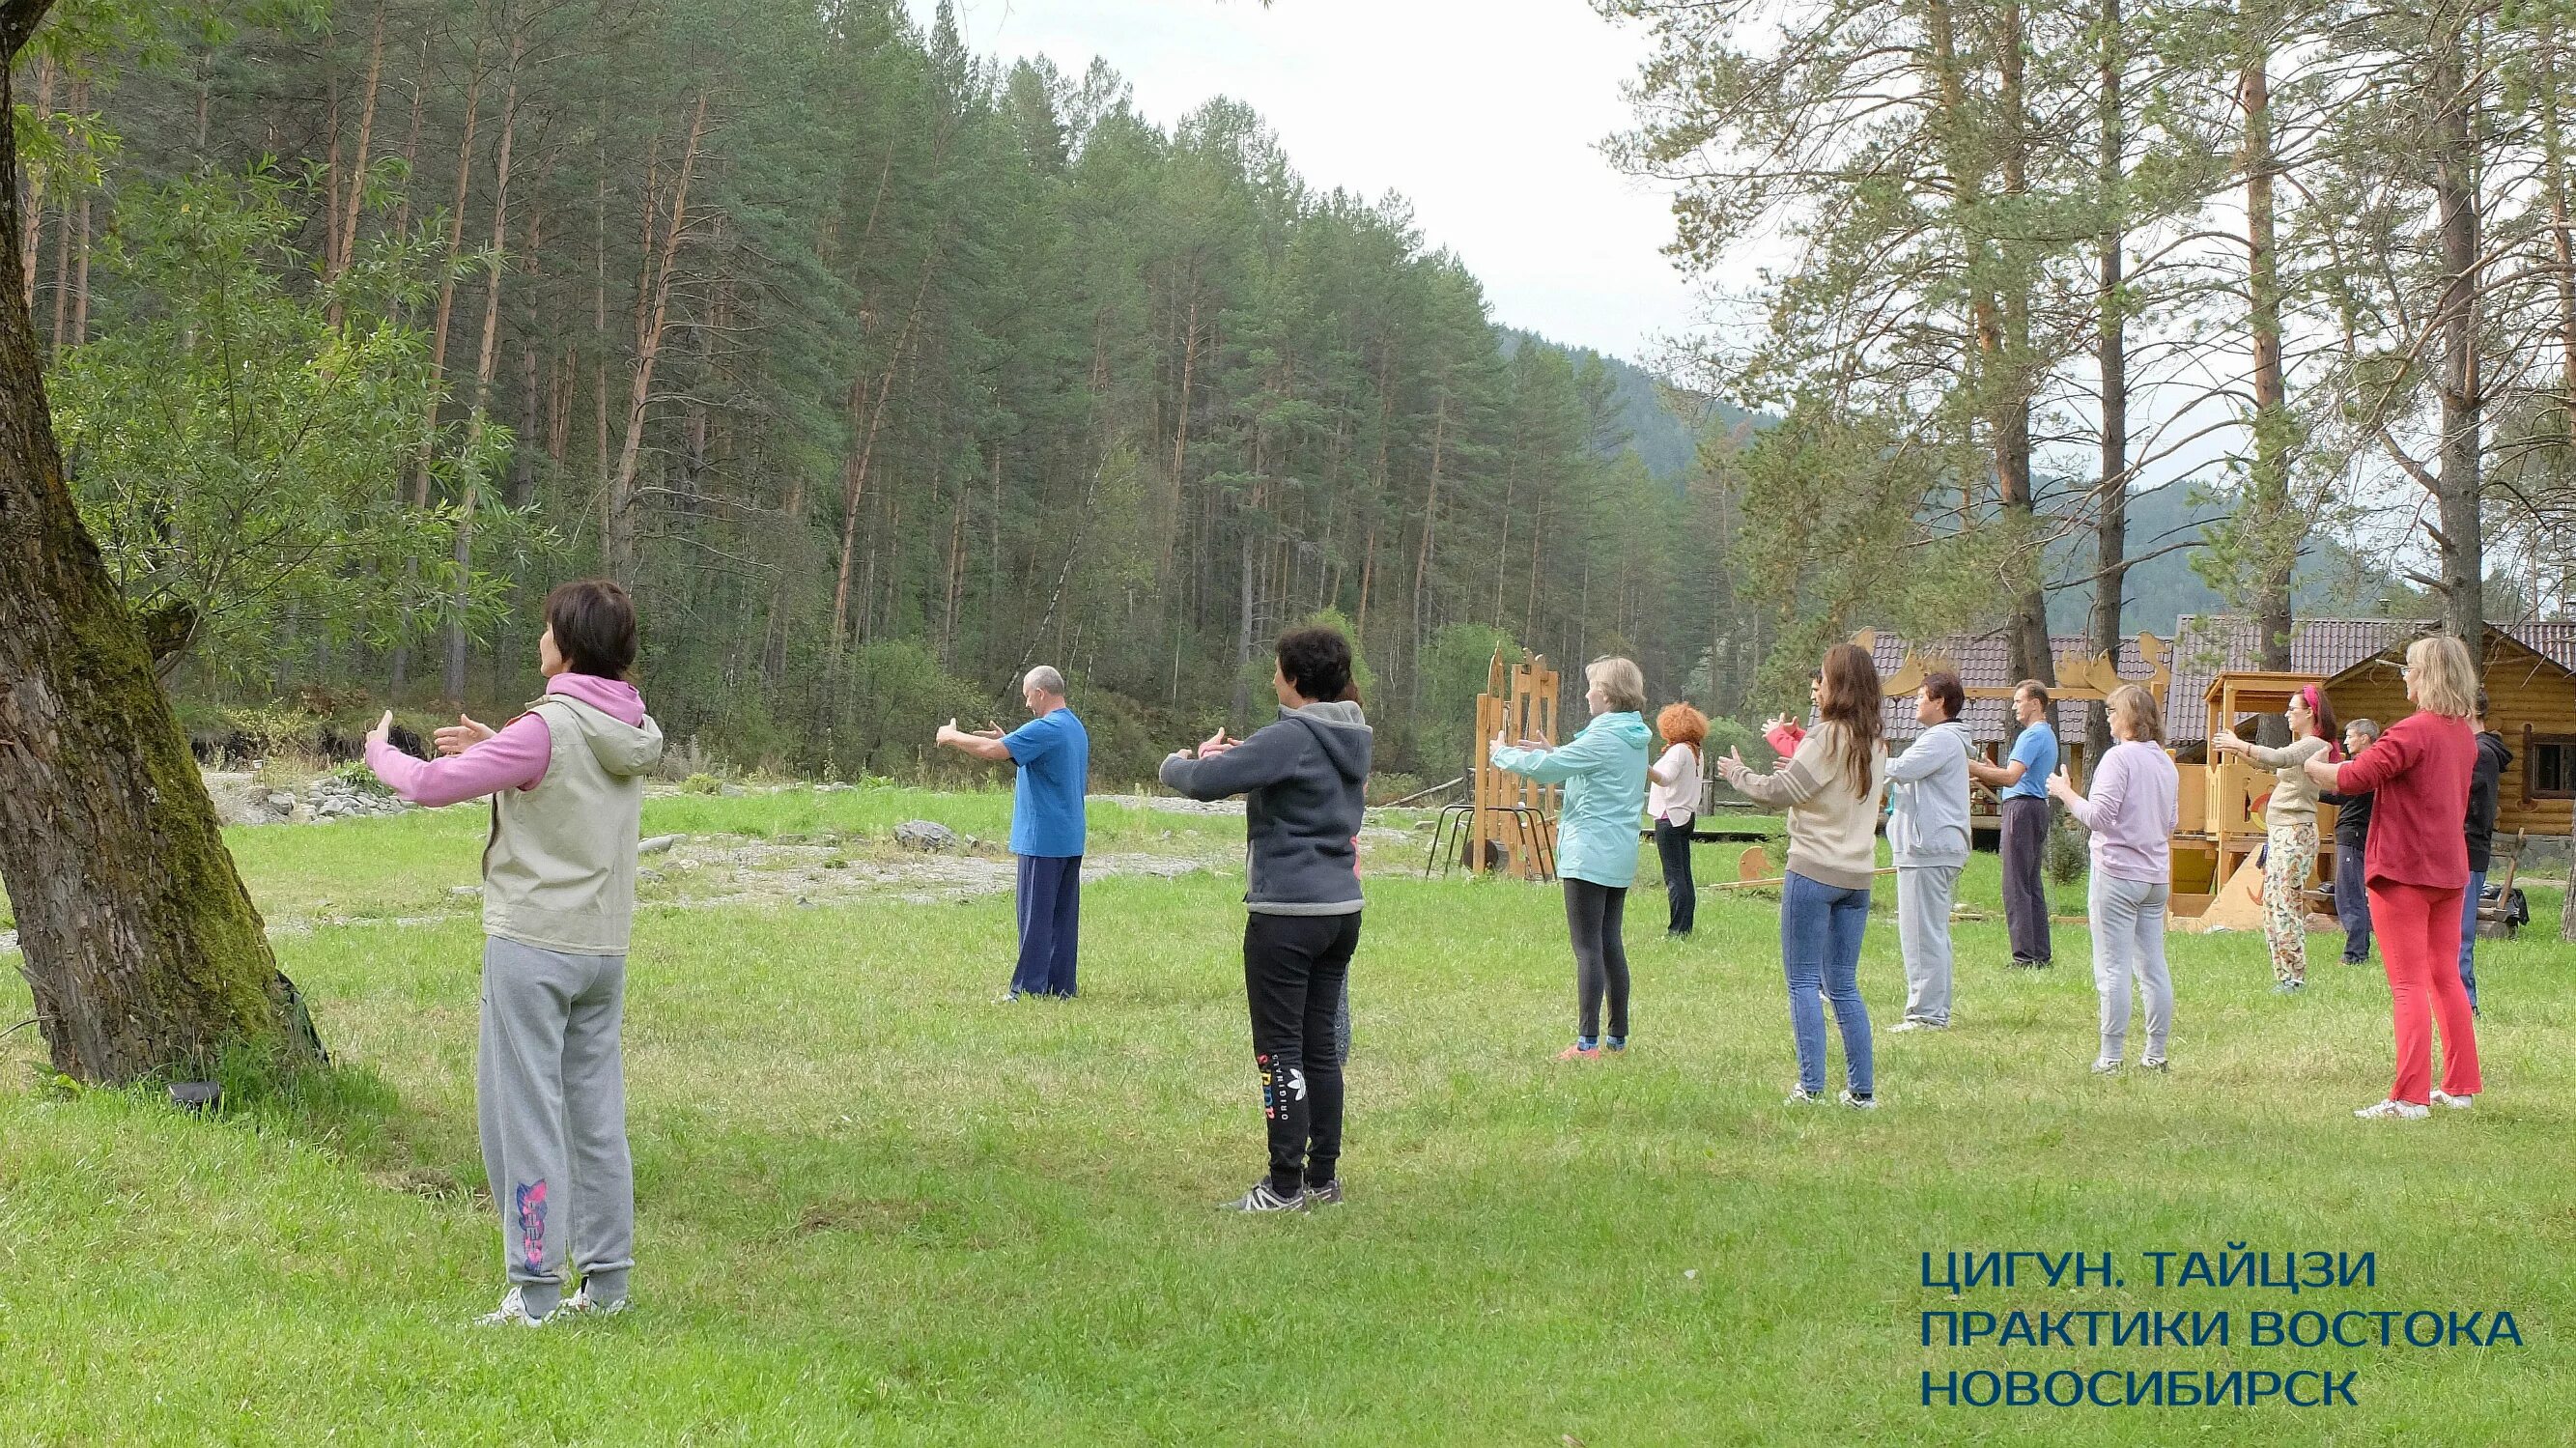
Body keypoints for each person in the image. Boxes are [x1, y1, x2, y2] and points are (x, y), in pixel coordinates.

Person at [363, 581, 665, 1326]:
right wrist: (493, 749)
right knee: (595, 1113)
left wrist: (379, 754)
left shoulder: (549, 723)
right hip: (602, 948)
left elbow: (431, 786)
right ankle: (607, 1285)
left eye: (545, 629)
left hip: (532, 945)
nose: (539, 641)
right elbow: (558, 780)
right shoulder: (627, 721)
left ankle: (534, 1292)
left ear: (568, 644)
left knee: (523, 1111)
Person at [1160, 626, 1372, 1211]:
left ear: (1295, 680)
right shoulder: (1347, 731)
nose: (1273, 678)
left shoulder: (1294, 735)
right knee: (1320, 1049)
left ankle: (1282, 1187)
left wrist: (1174, 763)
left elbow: (1203, 783)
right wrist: (1240, 759)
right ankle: (1321, 1179)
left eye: (1278, 670)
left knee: (1279, 1051)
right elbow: (1278, 769)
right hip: (1340, 912)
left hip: (1287, 915)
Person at [2300, 635, 2483, 1120]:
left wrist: (2312, 762)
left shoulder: (2412, 731)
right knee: (2446, 977)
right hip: (2449, 871)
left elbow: (2351, 778)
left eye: (2410, 669)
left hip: (2403, 871)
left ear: (2427, 676)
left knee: (2407, 985)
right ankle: (2460, 1086)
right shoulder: (2462, 734)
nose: (2405, 676)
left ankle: (2409, 1097)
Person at [1717, 642, 1889, 1108]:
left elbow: (1779, 791)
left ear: (1838, 686)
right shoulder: (1874, 741)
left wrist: (1738, 773)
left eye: (1825, 679)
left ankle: (1810, 1087)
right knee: (1844, 985)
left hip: (1813, 869)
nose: (1818, 688)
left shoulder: (1826, 736)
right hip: (1858, 875)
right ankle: (1862, 1091)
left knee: (1802, 982)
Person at [1490, 658, 1654, 1061]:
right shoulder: (1633, 734)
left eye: (1592, 687)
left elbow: (1548, 770)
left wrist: (1501, 754)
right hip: (1618, 854)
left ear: (1608, 695)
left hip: (1588, 852)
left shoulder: (1603, 737)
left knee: (1587, 948)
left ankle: (1587, 1042)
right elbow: (1585, 765)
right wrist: (1558, 751)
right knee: (1610, 942)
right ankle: (1617, 1037)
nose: (1587, 693)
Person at [2048, 685, 2180, 1074]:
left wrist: (2065, 793)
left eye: (2112, 711)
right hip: (2156, 877)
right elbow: (2170, 823)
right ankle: (2155, 1053)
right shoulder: (2166, 764)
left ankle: (2110, 1056)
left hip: (2117, 874)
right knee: (2153, 967)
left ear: (2131, 718)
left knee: (2113, 967)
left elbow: (2099, 818)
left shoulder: (2117, 759)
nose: (2107, 717)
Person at [936, 667, 1090, 1000]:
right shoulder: (1073, 726)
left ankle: (1027, 989)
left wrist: (951, 736)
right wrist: (1008, 741)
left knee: (1035, 917)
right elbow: (1023, 751)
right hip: (1069, 838)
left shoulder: (1045, 727)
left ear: (1040, 693)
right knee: (1061, 919)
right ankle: (1060, 987)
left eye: (1026, 697)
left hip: (1042, 839)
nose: (1026, 705)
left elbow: (992, 752)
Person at [2211, 683, 2339, 992]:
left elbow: (2279, 757)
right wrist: (2238, 750)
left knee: (2284, 904)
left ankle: (2293, 977)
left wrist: (2240, 742)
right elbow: (2269, 762)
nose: (2287, 715)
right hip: (2282, 833)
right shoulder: (2304, 745)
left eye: (2292, 710)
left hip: (2296, 833)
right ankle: (2284, 975)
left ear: (2310, 713)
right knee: (2273, 904)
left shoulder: (2311, 744)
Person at [1885, 670, 1973, 1032]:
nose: (1915, 702)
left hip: (1928, 847)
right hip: (1932, 846)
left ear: (1940, 702)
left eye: (1921, 696)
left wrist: (1853, 754)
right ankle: (1934, 1008)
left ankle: (1926, 1014)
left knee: (1922, 934)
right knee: (1930, 931)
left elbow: (1901, 769)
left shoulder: (1940, 739)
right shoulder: (1941, 739)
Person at [1968, 681, 2058, 968]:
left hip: (2020, 809)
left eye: (2019, 701)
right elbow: (2012, 775)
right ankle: (2039, 953)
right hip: (2036, 807)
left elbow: (2011, 778)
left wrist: (1968, 765)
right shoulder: (2047, 735)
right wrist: (1989, 770)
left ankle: (2023, 956)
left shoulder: (2031, 736)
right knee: (2031, 883)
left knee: (2015, 883)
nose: (2015, 707)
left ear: (2035, 703)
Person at [2460, 692, 2512, 1014]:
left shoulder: (2480, 753)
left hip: (2468, 850)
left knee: (2459, 934)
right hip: (2459, 849)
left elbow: (2470, 808)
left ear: (2470, 709)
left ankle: (2468, 1005)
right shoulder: (2474, 751)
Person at [2320, 718, 2381, 966]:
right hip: (2360, 833)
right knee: (2352, 893)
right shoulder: (2375, 765)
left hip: (2354, 833)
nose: (2346, 741)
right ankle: (2358, 949)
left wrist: (2309, 786)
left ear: (2365, 738)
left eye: (2350, 736)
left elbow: (2340, 792)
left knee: (2349, 894)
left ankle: (2355, 954)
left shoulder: (2363, 766)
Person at [1649, 702, 1708, 938]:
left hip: (1669, 817)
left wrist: (1644, 768)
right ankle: (1685, 925)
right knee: (1684, 874)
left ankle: (1677, 929)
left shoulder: (1678, 751)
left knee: (1673, 876)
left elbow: (1665, 779)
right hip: (1686, 816)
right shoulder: (1696, 751)